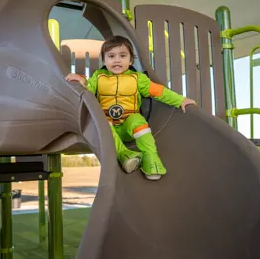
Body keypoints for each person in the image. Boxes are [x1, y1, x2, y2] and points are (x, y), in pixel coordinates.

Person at [65, 35, 196, 180]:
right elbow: (88, 88)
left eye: (122, 55)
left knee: (137, 120)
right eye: (111, 56)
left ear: (130, 60)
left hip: (129, 126)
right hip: (108, 128)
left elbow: (159, 91)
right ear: (104, 60)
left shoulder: (138, 78)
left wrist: (180, 100)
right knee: (101, 122)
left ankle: (151, 160)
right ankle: (125, 155)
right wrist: (81, 80)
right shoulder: (99, 76)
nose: (117, 60)